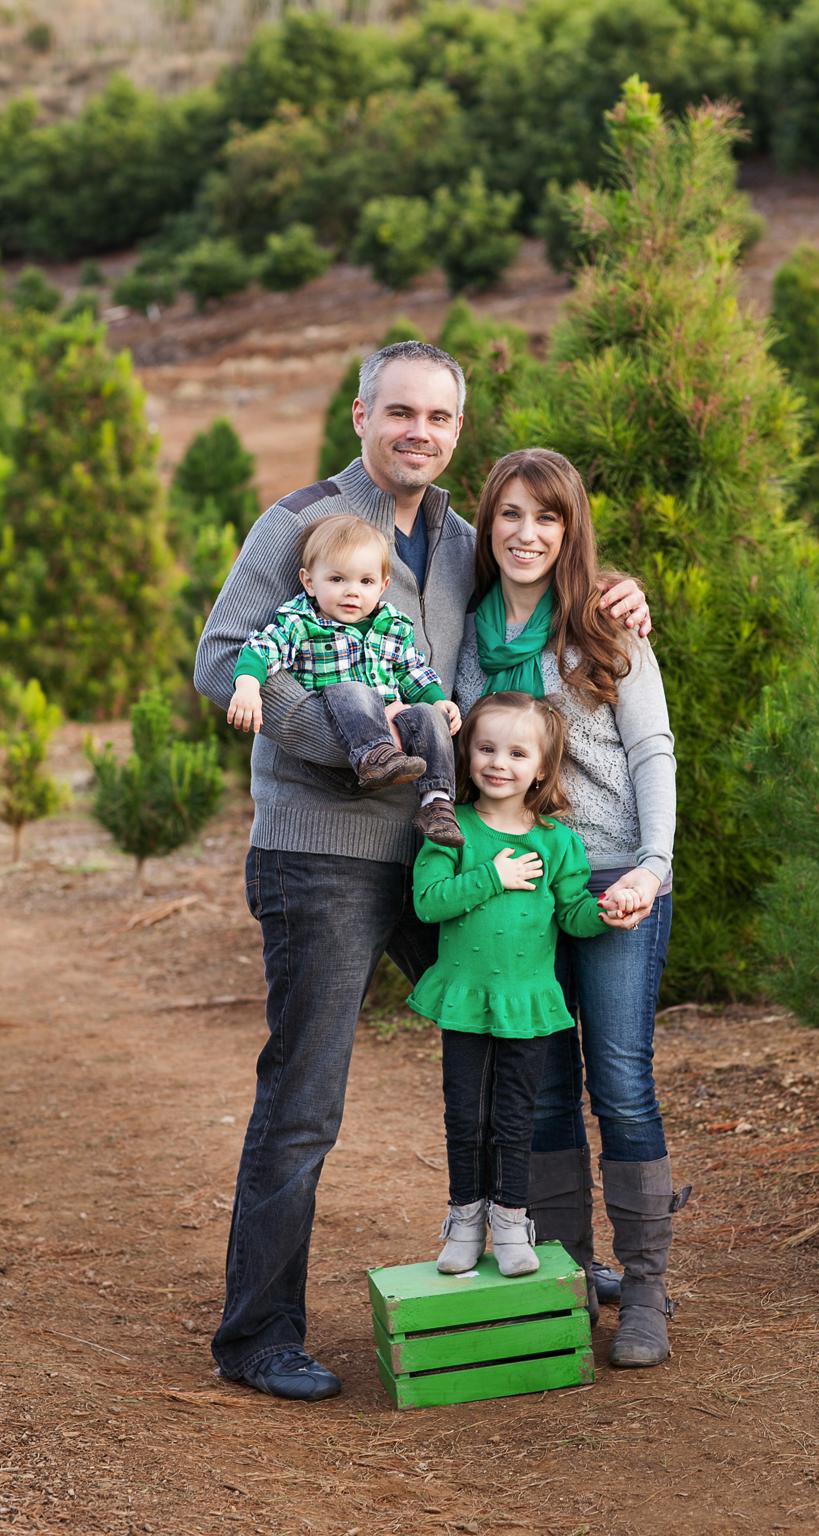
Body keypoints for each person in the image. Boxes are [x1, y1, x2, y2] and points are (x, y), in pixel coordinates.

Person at [194, 340, 651, 1402]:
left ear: (456, 428)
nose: (419, 432)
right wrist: (367, 757)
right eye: (398, 412)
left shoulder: (458, 537)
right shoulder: (300, 523)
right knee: (305, 1099)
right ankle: (258, 1335)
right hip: (323, 854)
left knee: (522, 1030)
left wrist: (616, 590)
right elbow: (225, 659)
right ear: (361, 416)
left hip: (446, 849)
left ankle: (555, 1268)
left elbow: (541, 582)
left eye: (439, 418)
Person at [454, 447, 687, 1370]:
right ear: (489, 525)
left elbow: (652, 753)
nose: (526, 534)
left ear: (571, 530)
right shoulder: (462, 637)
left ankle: (645, 1286)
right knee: (540, 1088)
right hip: (521, 896)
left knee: (620, 1081)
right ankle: (564, 1274)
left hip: (616, 880)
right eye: (509, 515)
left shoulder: (605, 627)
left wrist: (655, 868)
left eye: (546, 518)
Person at [407, 693, 642, 1277]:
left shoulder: (557, 841)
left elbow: (570, 914)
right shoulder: (450, 828)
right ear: (467, 754)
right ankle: (465, 1221)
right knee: (466, 1116)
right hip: (466, 997)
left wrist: (605, 911)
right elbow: (428, 903)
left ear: (542, 767)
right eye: (486, 748)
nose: (498, 763)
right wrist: (495, 874)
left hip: (528, 1000)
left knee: (516, 1118)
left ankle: (512, 1220)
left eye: (517, 752)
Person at [227, 514, 464, 847]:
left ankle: (436, 802)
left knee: (429, 717)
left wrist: (439, 700)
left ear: (382, 585)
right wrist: (248, 686)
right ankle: (375, 756)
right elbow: (262, 649)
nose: (352, 592)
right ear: (309, 582)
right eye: (337, 579)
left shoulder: (392, 625)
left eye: (365, 582)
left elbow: (412, 672)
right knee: (354, 690)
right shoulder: (302, 623)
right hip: (344, 718)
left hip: (393, 714)